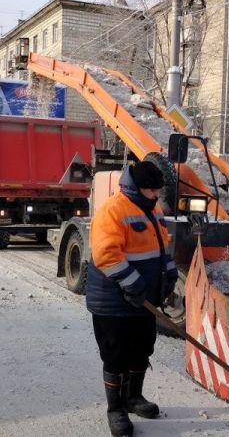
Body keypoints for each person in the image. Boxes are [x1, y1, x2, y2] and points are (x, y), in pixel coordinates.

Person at [86, 161, 178, 437]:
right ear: (137, 187)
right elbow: (106, 254)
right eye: (152, 190)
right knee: (116, 355)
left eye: (158, 191)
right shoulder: (112, 211)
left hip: (143, 301)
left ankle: (134, 397)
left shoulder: (153, 209)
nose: (157, 196)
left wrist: (169, 273)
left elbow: (162, 245)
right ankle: (116, 410)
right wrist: (133, 283)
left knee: (141, 349)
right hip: (114, 302)